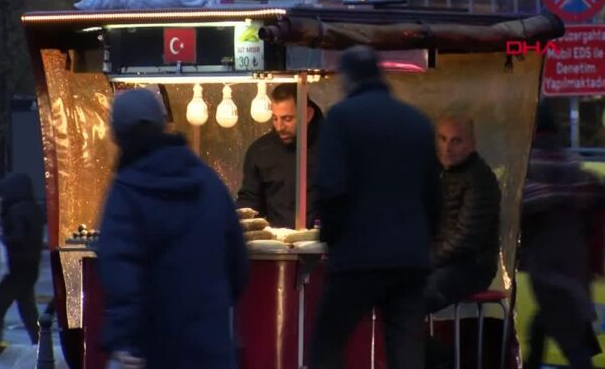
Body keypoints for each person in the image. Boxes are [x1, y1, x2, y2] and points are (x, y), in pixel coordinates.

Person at [97, 89, 249, 369]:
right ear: (163, 126)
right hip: (211, 349)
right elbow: (238, 265)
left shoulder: (127, 191)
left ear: (119, 137)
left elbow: (121, 274)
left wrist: (122, 339)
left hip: (155, 350)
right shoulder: (208, 182)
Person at [311, 45, 441, 369]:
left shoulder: (341, 118)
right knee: (405, 345)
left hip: (358, 257)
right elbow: (434, 194)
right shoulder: (418, 122)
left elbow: (331, 187)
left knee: (329, 338)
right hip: (410, 259)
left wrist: (331, 236)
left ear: (349, 79)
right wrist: (425, 243)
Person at [521, 101, 605, 369]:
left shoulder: (532, 162)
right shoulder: (570, 161)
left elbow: (524, 202)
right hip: (574, 262)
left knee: (570, 338)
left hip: (548, 264)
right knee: (549, 324)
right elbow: (595, 196)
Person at [426, 116, 501, 313]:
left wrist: (426, 261)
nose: (447, 147)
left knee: (413, 298)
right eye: (442, 139)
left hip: (472, 267)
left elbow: (465, 237)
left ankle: (422, 345)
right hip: (444, 262)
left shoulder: (479, 180)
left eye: (456, 141)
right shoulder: (440, 172)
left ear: (472, 144)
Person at [0, 173, 44, 363]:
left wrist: (1, 244)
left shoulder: (16, 211)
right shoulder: (34, 209)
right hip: (30, 268)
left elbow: (17, 238)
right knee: (28, 310)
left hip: (15, 270)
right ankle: (40, 347)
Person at [237, 83, 323, 228]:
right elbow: (250, 201)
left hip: (323, 245)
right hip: (277, 246)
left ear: (308, 114)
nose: (279, 127)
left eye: (287, 119)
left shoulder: (330, 147)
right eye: (275, 118)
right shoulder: (260, 151)